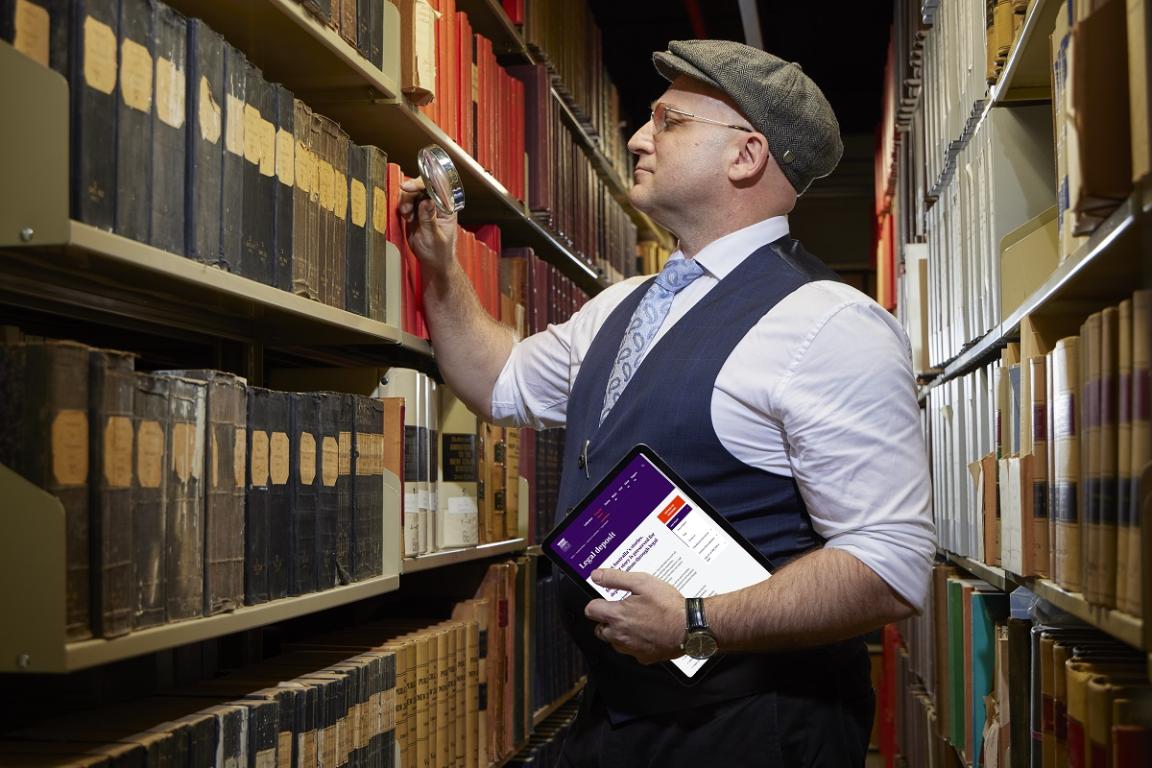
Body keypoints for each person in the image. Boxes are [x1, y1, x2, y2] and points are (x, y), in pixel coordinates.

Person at [400, 39, 935, 768]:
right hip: (619, 712)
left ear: (745, 156)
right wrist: (440, 263)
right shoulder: (621, 305)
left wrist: (696, 622)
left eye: (670, 121)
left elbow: (889, 563)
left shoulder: (831, 324)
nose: (637, 139)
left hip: (752, 729)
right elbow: (500, 381)